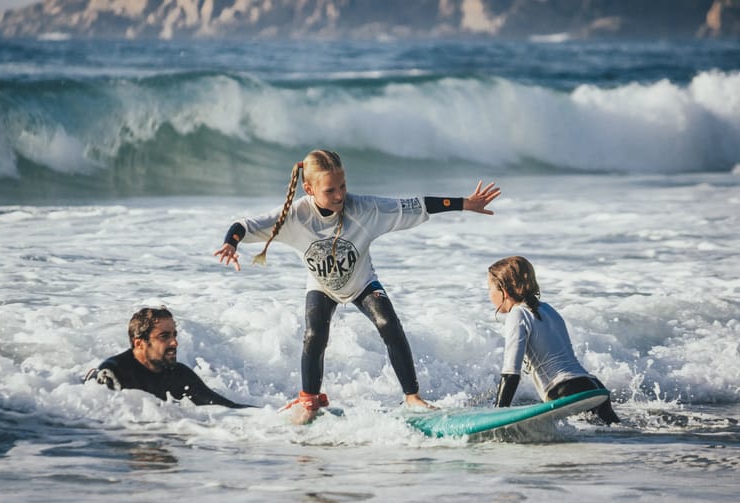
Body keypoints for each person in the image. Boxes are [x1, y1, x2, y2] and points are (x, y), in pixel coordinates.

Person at [214, 149, 500, 423]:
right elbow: (246, 224)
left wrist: (465, 203)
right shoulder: (295, 216)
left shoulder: (365, 209)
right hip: (322, 285)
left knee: (389, 324)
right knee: (314, 334)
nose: (340, 196)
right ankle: (309, 401)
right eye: (330, 190)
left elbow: (417, 205)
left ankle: (412, 397)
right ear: (309, 188)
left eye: (343, 186)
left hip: (362, 280)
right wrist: (231, 242)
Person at [487, 256, 620, 424]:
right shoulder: (548, 309)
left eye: (489, 288)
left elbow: (511, 373)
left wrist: (497, 417)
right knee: (618, 434)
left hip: (565, 392)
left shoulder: (518, 313)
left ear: (504, 291)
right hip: (593, 387)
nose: (489, 294)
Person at [85, 307, 253, 408]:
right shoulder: (113, 373)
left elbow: (226, 408)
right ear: (139, 344)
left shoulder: (178, 374)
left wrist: (271, 417)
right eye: (164, 336)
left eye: (174, 335)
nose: (174, 343)